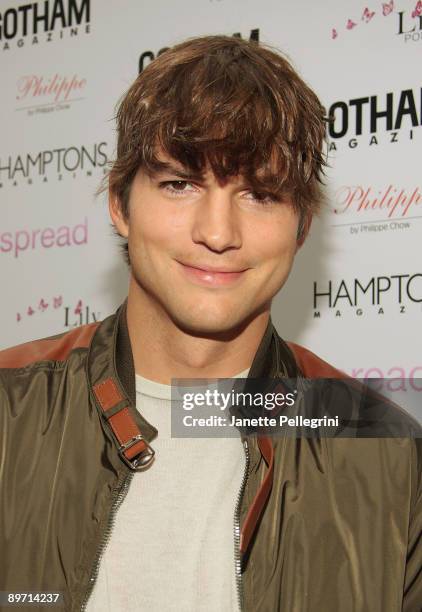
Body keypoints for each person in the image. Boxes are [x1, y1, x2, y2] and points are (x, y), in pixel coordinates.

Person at [0, 35, 420, 612]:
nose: (218, 233)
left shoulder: (387, 453)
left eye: (260, 194)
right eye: (180, 184)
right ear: (119, 204)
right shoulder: (9, 409)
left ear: (302, 226)